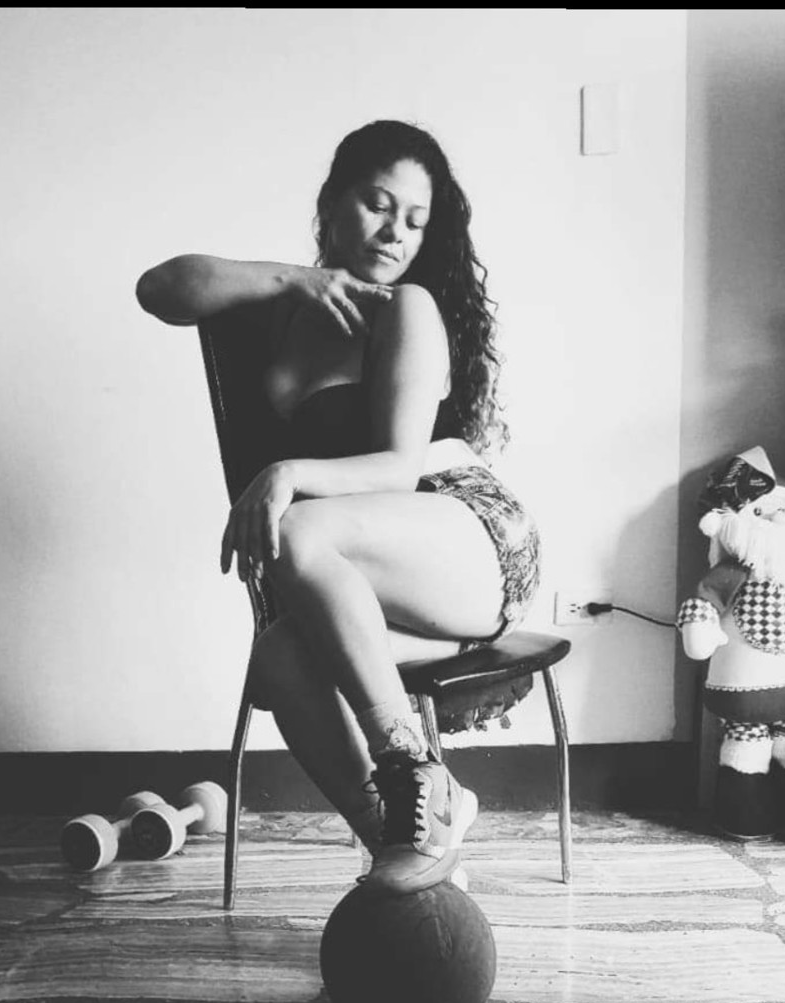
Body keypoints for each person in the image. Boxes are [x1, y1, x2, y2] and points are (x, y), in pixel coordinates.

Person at [136, 119, 541, 895]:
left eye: (415, 220)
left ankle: (412, 769)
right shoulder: (285, 312)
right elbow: (161, 288)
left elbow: (397, 469)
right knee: (279, 658)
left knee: (297, 529)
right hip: (366, 566)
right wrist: (295, 281)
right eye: (378, 205)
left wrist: (286, 471)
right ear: (332, 203)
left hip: (469, 537)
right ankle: (410, 841)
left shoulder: (405, 306)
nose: (395, 233)